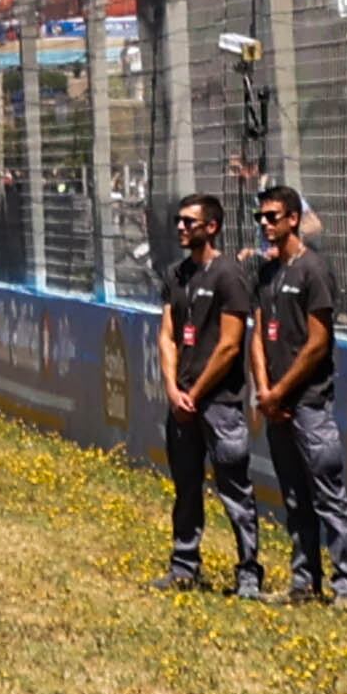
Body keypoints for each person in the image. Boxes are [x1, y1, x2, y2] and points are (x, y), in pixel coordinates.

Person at [249, 183, 347, 606]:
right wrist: (264, 390)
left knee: (328, 496)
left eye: (272, 217)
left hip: (309, 403)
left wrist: (281, 389)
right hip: (276, 406)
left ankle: (345, 587)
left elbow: (317, 343)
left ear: (293, 219)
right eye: (261, 217)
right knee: (294, 497)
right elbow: (257, 334)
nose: (265, 224)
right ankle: (303, 582)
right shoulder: (267, 272)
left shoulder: (313, 270)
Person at [154, 191, 261, 594]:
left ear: (211, 227)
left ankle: (249, 572)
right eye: (179, 221)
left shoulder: (229, 276)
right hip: (181, 402)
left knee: (234, 487)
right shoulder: (176, 275)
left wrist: (196, 392)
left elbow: (231, 343)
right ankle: (185, 565)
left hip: (220, 404)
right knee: (185, 486)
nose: (181, 227)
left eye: (189, 222)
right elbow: (167, 335)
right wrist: (172, 387)